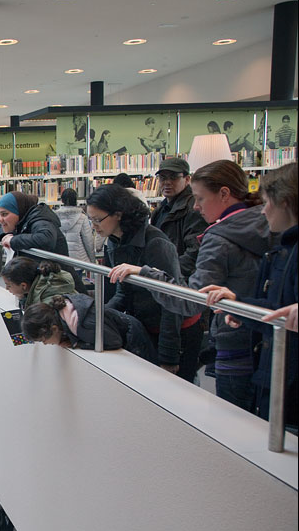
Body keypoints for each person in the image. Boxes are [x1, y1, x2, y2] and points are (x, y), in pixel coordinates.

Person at [109, 160, 271, 414]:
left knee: (235, 421)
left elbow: (189, 300)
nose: (196, 206)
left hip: (233, 337)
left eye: (200, 198)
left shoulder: (219, 237)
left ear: (224, 194)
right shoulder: (266, 224)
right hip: (264, 338)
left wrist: (148, 273)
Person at [201, 163, 297, 427]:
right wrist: (240, 306)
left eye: (267, 202)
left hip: (286, 378)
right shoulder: (279, 249)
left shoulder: (286, 251)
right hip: (269, 369)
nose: (263, 210)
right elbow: (276, 308)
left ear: (286, 203)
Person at [87, 184, 199, 381]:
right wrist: (97, 319)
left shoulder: (156, 244)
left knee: (177, 391)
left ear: (119, 214)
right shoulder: (114, 240)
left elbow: (171, 301)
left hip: (177, 331)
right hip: (148, 325)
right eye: (91, 220)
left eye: (97, 220)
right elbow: (123, 292)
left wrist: (169, 355)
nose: (94, 226)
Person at [22, 295, 157, 363]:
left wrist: (78, 344)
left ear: (54, 328)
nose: (45, 344)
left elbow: (114, 342)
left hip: (135, 340)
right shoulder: (64, 312)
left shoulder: (84, 324)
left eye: (43, 340)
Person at [0, 190, 84, 291]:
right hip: (48, 284)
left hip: (59, 286)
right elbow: (0, 232)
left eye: (4, 214)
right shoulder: (24, 220)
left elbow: (45, 239)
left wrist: (13, 240)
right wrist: (8, 235)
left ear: (19, 211)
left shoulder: (41, 219)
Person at [149, 157, 208, 279]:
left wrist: (167, 272)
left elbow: (194, 252)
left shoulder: (193, 209)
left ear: (187, 179)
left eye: (173, 177)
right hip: (164, 276)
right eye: (163, 178)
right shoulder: (161, 209)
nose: (167, 182)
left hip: (179, 280)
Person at [1, 257, 76, 310]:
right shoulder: (40, 284)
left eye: (8, 285)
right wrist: (22, 298)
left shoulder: (47, 302)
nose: (6, 288)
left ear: (23, 285)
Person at [56, 188, 96, 275]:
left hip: (61, 258)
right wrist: (92, 260)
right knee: (78, 286)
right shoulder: (82, 217)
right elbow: (88, 240)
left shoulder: (55, 217)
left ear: (62, 200)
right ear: (75, 200)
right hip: (78, 259)